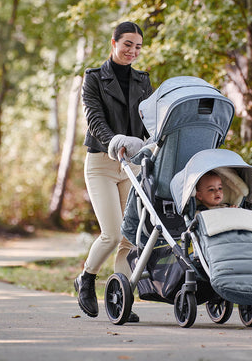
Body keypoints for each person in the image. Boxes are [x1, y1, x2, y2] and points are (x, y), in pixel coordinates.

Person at [74, 22, 152, 322]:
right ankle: (87, 279)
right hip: (102, 164)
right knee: (112, 232)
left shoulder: (143, 80)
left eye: (138, 47)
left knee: (129, 238)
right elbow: (95, 119)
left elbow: (149, 120)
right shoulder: (93, 78)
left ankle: (121, 298)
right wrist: (115, 141)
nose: (132, 51)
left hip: (132, 165)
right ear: (114, 42)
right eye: (127, 44)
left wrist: (151, 144)